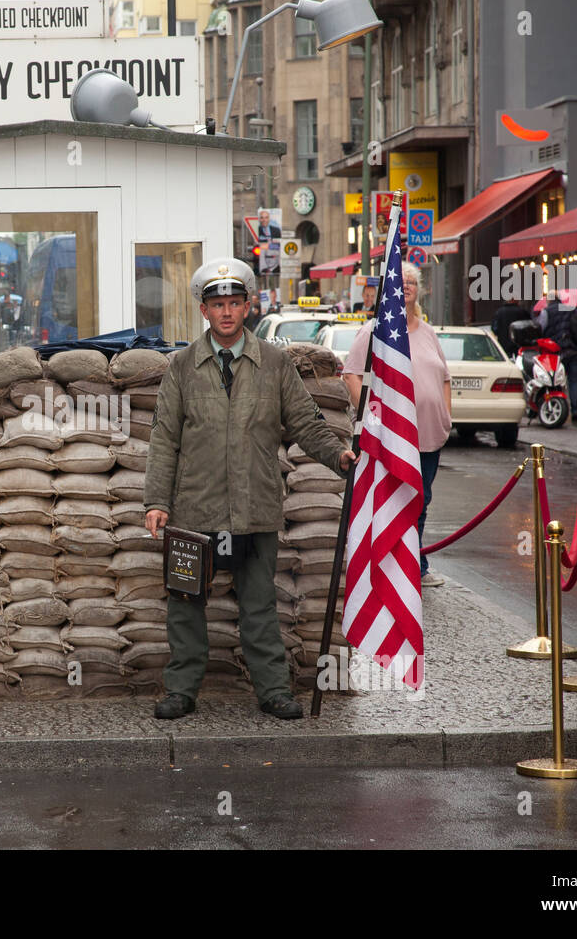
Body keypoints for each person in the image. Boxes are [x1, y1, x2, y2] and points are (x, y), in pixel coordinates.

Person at [144, 257, 356, 722]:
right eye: (217, 304)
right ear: (204, 311)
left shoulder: (275, 364)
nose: (226, 312)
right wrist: (158, 501)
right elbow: (164, 438)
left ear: (248, 308)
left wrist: (338, 456)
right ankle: (181, 690)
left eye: (234, 303)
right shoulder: (181, 366)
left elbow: (306, 421)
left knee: (259, 605)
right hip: (194, 512)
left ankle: (274, 690)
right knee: (185, 605)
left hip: (256, 508)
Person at [343, 261, 452, 587]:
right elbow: (351, 374)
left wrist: (446, 415)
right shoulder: (377, 329)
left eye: (412, 283)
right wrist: (374, 418)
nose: (406, 287)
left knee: (422, 500)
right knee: (396, 499)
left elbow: (445, 378)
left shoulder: (430, 332)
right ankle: (401, 567)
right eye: (400, 282)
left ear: (419, 290)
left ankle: (415, 563)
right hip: (393, 437)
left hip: (429, 437)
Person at [535, 291, 577, 422]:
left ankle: (557, 408)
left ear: (549, 300)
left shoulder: (546, 312)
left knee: (554, 381)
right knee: (574, 381)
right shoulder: (571, 309)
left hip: (555, 352)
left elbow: (539, 328)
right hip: (573, 350)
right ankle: (575, 411)